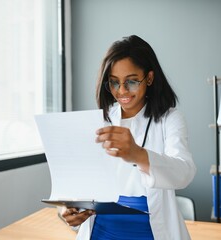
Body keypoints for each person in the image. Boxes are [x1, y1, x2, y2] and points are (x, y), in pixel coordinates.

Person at [61, 35, 196, 240]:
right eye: (114, 83)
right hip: (101, 230)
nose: (122, 91)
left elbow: (184, 173)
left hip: (149, 231)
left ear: (149, 78)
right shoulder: (99, 120)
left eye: (131, 81)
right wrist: (69, 209)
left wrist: (138, 154)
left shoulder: (170, 119)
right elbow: (79, 185)